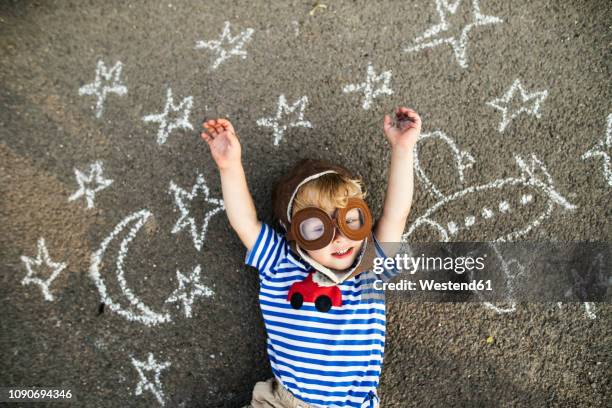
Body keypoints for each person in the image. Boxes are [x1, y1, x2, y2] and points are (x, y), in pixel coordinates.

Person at [200, 107, 421, 408]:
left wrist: (403, 148)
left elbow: (396, 214)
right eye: (318, 228)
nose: (339, 237)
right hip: (284, 402)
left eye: (350, 221)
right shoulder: (280, 262)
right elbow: (244, 222)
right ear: (293, 234)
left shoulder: (370, 267)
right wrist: (229, 166)